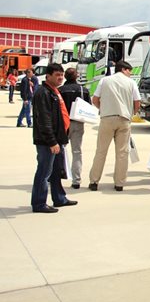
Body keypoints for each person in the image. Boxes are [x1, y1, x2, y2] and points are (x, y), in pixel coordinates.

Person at [30, 63, 77, 213]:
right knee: (44, 172)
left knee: (56, 171)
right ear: (48, 76)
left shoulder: (54, 92)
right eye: (57, 75)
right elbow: (44, 120)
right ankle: (38, 203)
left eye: (62, 75)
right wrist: (52, 141)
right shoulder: (43, 93)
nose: (60, 78)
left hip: (57, 139)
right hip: (47, 142)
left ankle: (59, 198)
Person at [88, 60, 141, 192]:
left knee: (101, 151)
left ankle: (94, 181)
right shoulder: (131, 83)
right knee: (122, 153)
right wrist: (132, 113)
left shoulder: (104, 81)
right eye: (129, 71)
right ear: (123, 69)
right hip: (124, 119)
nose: (130, 73)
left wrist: (103, 109)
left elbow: (95, 100)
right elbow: (137, 102)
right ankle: (119, 183)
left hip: (106, 118)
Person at [59, 68, 92, 189]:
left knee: (59, 150)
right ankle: (76, 180)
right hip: (78, 122)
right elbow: (88, 107)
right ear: (76, 76)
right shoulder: (84, 90)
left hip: (63, 123)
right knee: (77, 151)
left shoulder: (60, 90)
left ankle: (55, 177)